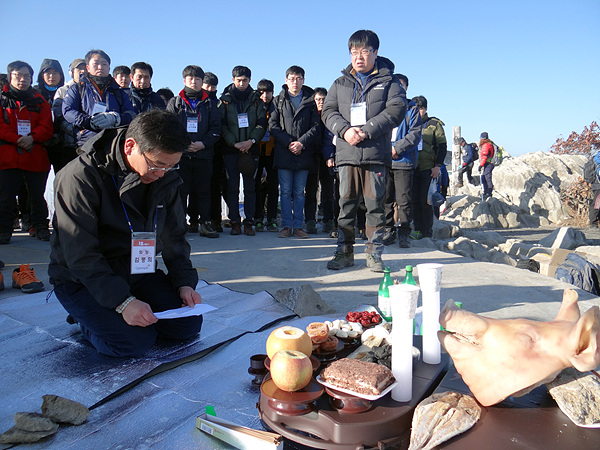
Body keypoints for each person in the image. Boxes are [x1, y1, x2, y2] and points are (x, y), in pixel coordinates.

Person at [49, 109, 204, 358]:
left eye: (171, 166)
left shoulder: (165, 175)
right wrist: (123, 302)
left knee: (186, 325)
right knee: (134, 342)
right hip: (83, 279)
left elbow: (174, 235)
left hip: (137, 270)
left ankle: (108, 314)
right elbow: (80, 254)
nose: (162, 173)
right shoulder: (79, 177)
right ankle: (84, 319)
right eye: (157, 165)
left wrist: (184, 282)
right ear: (131, 146)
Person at [321, 29, 406, 272]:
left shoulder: (390, 82)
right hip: (347, 154)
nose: (359, 57)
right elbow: (328, 111)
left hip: (375, 154)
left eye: (365, 51)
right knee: (346, 205)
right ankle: (344, 252)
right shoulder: (340, 83)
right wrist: (345, 130)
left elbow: (396, 110)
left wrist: (367, 130)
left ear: (376, 52)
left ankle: (374, 254)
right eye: (354, 52)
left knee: (375, 206)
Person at [0, 61, 53, 244]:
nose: (22, 79)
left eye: (27, 76)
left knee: (37, 195)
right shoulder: (2, 100)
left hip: (35, 154)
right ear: (10, 77)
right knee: (6, 196)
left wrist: (32, 137)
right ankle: (3, 230)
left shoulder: (40, 101)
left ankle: (40, 227)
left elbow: (47, 126)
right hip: (8, 157)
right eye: (18, 75)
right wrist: (17, 139)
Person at [167, 65, 221, 238]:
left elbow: (216, 128)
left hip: (203, 155)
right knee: (181, 191)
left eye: (198, 79)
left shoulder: (210, 104)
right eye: (191, 78)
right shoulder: (175, 102)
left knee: (204, 191)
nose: (194, 82)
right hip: (181, 156)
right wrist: (184, 144)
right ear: (184, 80)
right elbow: (169, 127)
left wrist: (203, 143)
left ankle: (205, 223)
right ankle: (180, 224)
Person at [269, 66, 320, 239]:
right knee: (284, 191)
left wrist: (301, 143)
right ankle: (286, 226)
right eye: (291, 78)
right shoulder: (278, 100)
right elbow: (273, 126)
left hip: (303, 153)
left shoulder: (310, 101)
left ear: (303, 80)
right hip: (284, 152)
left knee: (299, 192)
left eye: (298, 78)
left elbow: (316, 127)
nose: (295, 82)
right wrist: (289, 142)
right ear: (286, 80)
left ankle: (298, 226)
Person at [219, 66, 267, 236]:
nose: (241, 83)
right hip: (231, 149)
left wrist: (250, 141)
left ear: (249, 80)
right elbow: (222, 125)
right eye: (238, 80)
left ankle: (249, 222)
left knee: (250, 188)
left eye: (245, 80)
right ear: (233, 80)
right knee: (232, 187)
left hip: (251, 149)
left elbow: (262, 124)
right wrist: (234, 143)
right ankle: (234, 222)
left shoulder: (257, 100)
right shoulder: (224, 101)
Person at [62, 49, 136, 149]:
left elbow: (131, 114)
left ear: (109, 68)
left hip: (114, 144)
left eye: (104, 64)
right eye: (95, 64)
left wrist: (116, 119)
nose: (100, 67)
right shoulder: (78, 88)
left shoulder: (119, 91)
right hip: (86, 144)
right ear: (87, 67)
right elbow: (68, 111)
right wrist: (88, 121)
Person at [382, 74, 422, 248]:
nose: (398, 87)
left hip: (404, 161)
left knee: (404, 200)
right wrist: (386, 149)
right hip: (384, 159)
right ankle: (388, 230)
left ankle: (404, 232)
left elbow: (414, 134)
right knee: (385, 198)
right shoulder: (383, 106)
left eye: (402, 85)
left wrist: (397, 148)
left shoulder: (412, 109)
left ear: (406, 88)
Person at [410, 95, 447, 240]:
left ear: (425, 109)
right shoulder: (408, 122)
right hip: (412, 167)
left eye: (421, 108)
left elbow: (442, 147)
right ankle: (417, 228)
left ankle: (427, 232)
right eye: (415, 108)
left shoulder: (434, 124)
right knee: (413, 200)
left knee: (426, 201)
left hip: (428, 168)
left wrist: (438, 166)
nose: (418, 111)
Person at [52, 59, 86, 173]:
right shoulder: (62, 91)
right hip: (67, 145)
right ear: (71, 72)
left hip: (87, 144)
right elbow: (58, 116)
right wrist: (75, 132)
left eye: (85, 68)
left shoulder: (93, 91)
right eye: (79, 68)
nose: (82, 71)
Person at [254, 79, 279, 232]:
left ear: (272, 93)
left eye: (268, 92)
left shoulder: (277, 106)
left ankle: (272, 218)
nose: (265, 95)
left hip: (273, 152)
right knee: (256, 185)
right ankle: (258, 217)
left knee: (273, 186)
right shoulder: (254, 106)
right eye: (262, 92)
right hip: (256, 151)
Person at [312, 87, 336, 235]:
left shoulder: (331, 115)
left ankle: (328, 220)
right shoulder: (310, 114)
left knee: (328, 190)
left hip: (327, 156)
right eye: (318, 99)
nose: (321, 102)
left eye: (323, 99)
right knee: (311, 189)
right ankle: (310, 220)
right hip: (312, 156)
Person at [479, 132, 495, 201]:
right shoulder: (489, 144)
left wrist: (480, 165)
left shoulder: (486, 145)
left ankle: (488, 192)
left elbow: (485, 156)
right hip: (489, 163)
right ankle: (486, 192)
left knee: (487, 178)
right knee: (484, 177)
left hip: (488, 163)